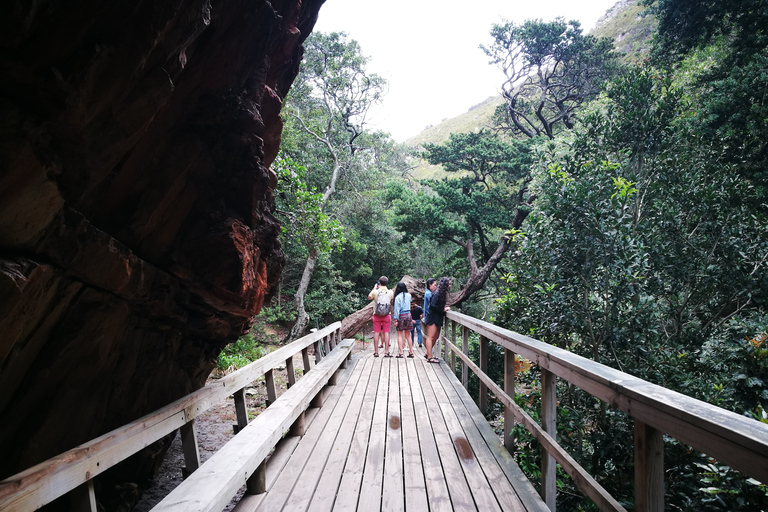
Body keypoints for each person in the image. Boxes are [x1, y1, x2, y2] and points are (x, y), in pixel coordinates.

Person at [423, 277, 451, 363]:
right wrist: (443, 309)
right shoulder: (437, 292)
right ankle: (429, 357)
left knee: (436, 336)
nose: (450, 286)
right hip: (433, 317)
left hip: (438, 317)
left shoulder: (440, 293)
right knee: (430, 337)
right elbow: (433, 305)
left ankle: (428, 353)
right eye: (448, 284)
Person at [368, 276, 392, 357]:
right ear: (386, 283)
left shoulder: (375, 292)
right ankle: (386, 352)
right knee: (386, 332)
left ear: (379, 283)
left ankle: (376, 352)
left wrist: (374, 288)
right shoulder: (390, 292)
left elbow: (369, 297)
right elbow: (390, 300)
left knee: (376, 332)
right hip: (386, 315)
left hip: (377, 315)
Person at [392, 281, 414, 358]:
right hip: (408, 315)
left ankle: (401, 353)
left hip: (401, 315)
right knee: (408, 335)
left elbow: (396, 310)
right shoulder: (409, 295)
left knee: (400, 334)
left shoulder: (397, 297)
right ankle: (411, 352)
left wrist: (395, 320)